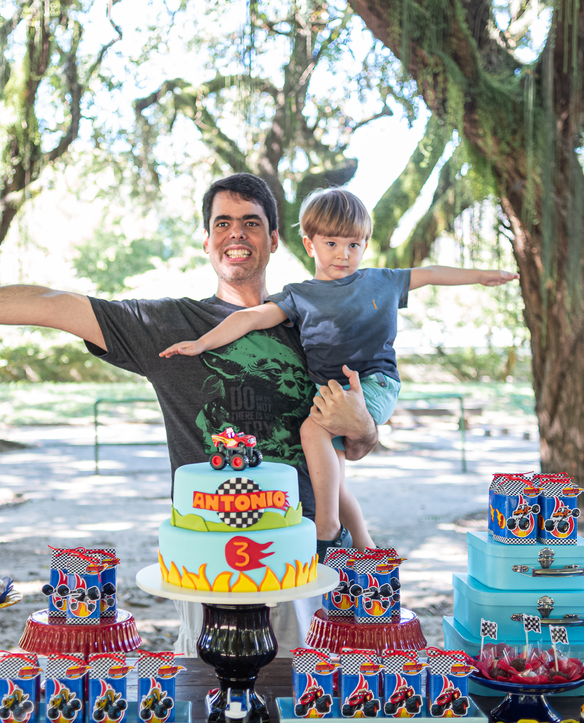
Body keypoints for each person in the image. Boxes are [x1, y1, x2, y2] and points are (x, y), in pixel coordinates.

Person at [0, 173, 378, 655]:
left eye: (251, 223)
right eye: (223, 223)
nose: (236, 234)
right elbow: (50, 302)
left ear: (274, 238)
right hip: (209, 563)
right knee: (209, 699)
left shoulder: (312, 326)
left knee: (301, 705)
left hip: (305, 556)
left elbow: (351, 437)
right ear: (206, 239)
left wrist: (365, 428)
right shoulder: (170, 325)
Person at [161, 188, 518, 561]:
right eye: (331, 242)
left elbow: (430, 273)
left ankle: (326, 529)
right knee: (331, 481)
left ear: (365, 245)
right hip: (327, 391)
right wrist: (202, 343)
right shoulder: (299, 295)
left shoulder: (381, 280)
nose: (343, 254)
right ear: (309, 243)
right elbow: (251, 318)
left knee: (311, 432)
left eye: (354, 245)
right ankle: (368, 552)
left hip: (372, 383)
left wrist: (482, 275)